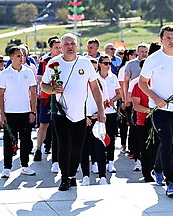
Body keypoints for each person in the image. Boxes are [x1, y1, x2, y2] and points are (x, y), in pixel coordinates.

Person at [41, 33, 106, 191]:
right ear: (61, 47)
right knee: (64, 144)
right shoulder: (53, 63)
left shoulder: (85, 63)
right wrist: (52, 89)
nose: (70, 46)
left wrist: (101, 110)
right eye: (66, 44)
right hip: (60, 112)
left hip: (80, 113)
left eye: (73, 43)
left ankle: (71, 176)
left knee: (78, 146)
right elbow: (43, 85)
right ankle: (64, 178)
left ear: (77, 46)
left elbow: (95, 88)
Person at [139, 25, 173, 197]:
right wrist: (155, 98)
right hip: (159, 109)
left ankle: (158, 167)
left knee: (169, 141)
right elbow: (142, 83)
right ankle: (172, 182)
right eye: (168, 38)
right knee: (168, 143)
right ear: (161, 40)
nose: (171, 41)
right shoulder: (154, 59)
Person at [0, 46, 37, 178]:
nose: (22, 58)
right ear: (11, 58)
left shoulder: (29, 72)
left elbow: (33, 92)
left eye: (23, 55)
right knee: (9, 141)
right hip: (10, 113)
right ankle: (7, 168)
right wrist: (2, 114)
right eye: (19, 56)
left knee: (26, 140)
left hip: (25, 112)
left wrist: (33, 111)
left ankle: (25, 166)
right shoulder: (5, 74)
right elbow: (1, 95)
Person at [81, 58, 109, 186]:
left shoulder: (101, 83)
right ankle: (85, 176)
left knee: (100, 148)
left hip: (97, 119)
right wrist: (83, 116)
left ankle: (103, 176)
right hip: (83, 119)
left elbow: (105, 101)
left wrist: (99, 113)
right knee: (84, 149)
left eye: (94, 67)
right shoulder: (80, 83)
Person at [34, 37, 62, 162]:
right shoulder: (45, 61)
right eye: (56, 47)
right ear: (50, 49)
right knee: (44, 124)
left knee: (60, 125)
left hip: (61, 97)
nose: (59, 50)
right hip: (47, 96)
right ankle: (38, 148)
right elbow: (40, 79)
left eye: (60, 47)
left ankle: (60, 151)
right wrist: (50, 88)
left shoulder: (64, 60)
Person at [97, 54, 122, 173]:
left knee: (110, 137)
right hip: (97, 112)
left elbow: (119, 93)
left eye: (110, 63)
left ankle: (110, 161)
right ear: (100, 64)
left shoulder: (113, 77)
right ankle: (97, 162)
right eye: (106, 63)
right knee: (98, 137)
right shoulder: (95, 78)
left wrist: (112, 100)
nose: (108, 66)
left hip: (110, 112)